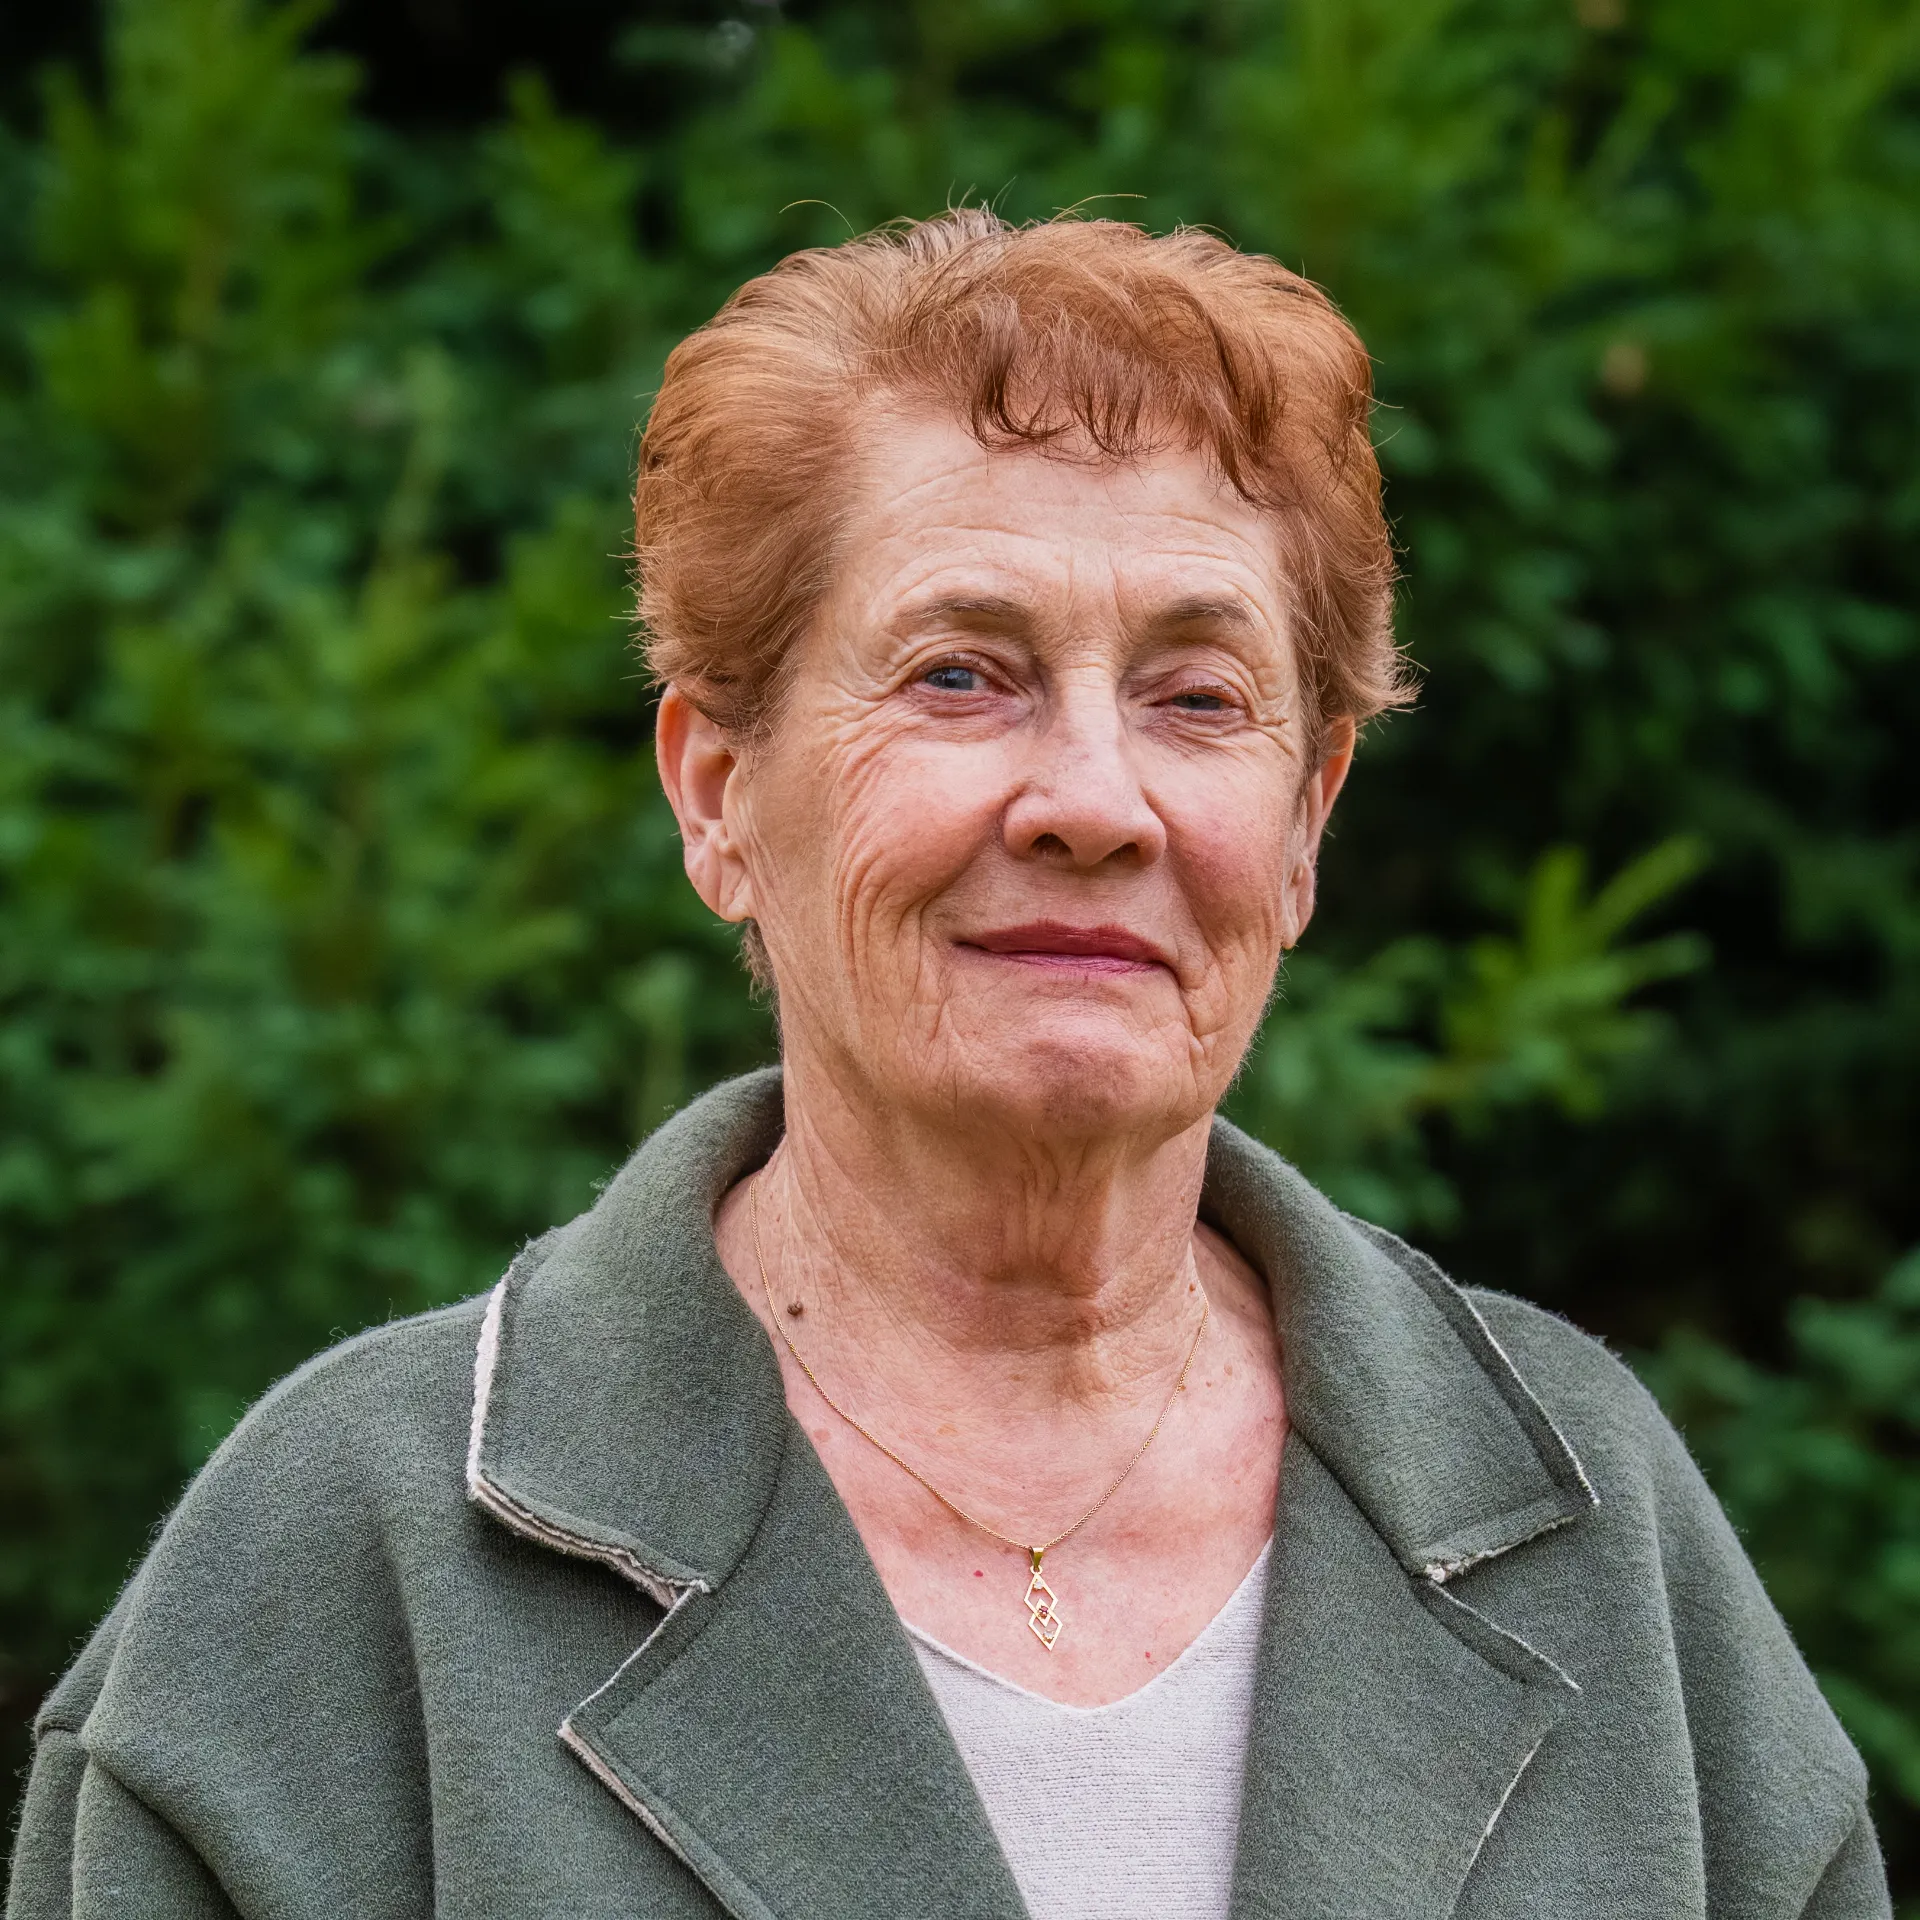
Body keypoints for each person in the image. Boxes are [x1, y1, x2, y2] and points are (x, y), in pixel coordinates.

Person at [7, 211, 1889, 1920]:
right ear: (719, 794)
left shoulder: (1597, 1537)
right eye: (961, 675)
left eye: (1199, 697)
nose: (1094, 801)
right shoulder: (346, 1569)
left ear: (1307, 824)